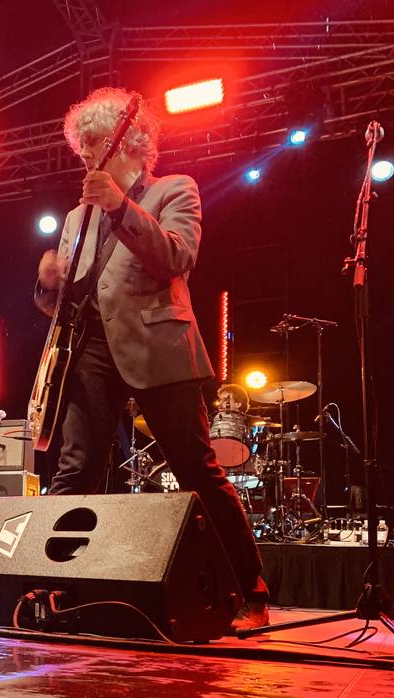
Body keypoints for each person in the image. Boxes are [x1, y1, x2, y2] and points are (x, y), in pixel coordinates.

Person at [33, 87, 269, 630]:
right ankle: (56, 584)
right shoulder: (75, 217)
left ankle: (250, 585)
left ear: (129, 143)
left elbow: (176, 257)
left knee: (195, 468)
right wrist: (48, 284)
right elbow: (68, 301)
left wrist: (120, 206)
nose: (86, 155)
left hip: (156, 345)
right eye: (83, 146)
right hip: (90, 348)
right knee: (75, 467)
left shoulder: (173, 190)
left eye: (94, 143)